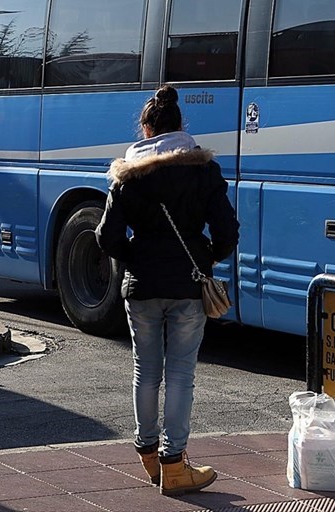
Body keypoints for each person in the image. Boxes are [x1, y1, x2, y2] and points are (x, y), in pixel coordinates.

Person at [95, 85, 239, 496]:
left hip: (141, 285)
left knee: (145, 370)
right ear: (180, 127)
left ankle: (147, 453)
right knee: (180, 375)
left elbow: (106, 237)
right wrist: (206, 256)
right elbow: (228, 231)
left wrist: (136, 257)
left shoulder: (128, 176)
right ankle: (174, 463)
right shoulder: (203, 171)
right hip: (188, 285)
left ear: (146, 129)